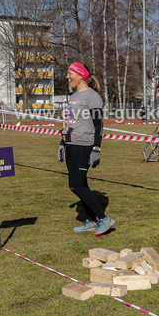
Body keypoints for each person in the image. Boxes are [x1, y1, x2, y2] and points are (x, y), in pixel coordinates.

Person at [59, 62, 114, 235]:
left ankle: (104, 219)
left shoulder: (92, 97)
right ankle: (90, 221)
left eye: (70, 74)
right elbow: (71, 121)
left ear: (80, 75)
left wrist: (96, 149)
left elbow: (99, 125)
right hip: (71, 144)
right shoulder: (74, 95)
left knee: (76, 185)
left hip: (84, 145)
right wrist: (62, 143)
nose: (67, 77)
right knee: (79, 183)